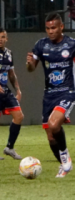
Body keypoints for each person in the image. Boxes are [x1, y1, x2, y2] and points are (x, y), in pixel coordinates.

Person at [26, 12, 75, 178]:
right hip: (49, 94)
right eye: (48, 28)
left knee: (54, 124)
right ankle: (64, 165)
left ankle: (65, 159)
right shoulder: (41, 45)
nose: (51, 31)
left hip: (68, 92)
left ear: (61, 27)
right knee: (51, 137)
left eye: (54, 28)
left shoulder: (71, 44)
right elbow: (31, 68)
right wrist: (29, 64)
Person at [0, 28, 24, 160]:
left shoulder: (8, 54)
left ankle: (9, 147)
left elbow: (11, 74)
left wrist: (18, 90)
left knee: (19, 116)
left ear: (6, 39)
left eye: (3, 37)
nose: (0, 39)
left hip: (5, 90)